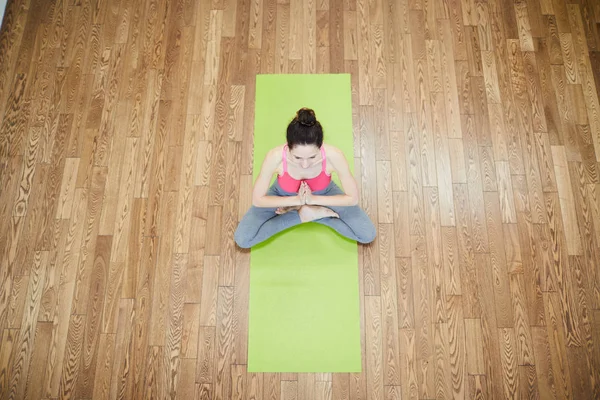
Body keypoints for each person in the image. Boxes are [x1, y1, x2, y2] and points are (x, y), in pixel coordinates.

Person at [234, 107, 377, 248]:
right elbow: (257, 200)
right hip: (282, 196)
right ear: (288, 147)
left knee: (367, 234)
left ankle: (314, 212)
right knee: (243, 239)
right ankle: (302, 215)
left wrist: (312, 200)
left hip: (324, 194)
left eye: (312, 157)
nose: (304, 164)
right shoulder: (275, 157)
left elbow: (352, 198)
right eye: (297, 157)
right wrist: (296, 201)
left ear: (320, 147)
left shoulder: (334, 156)